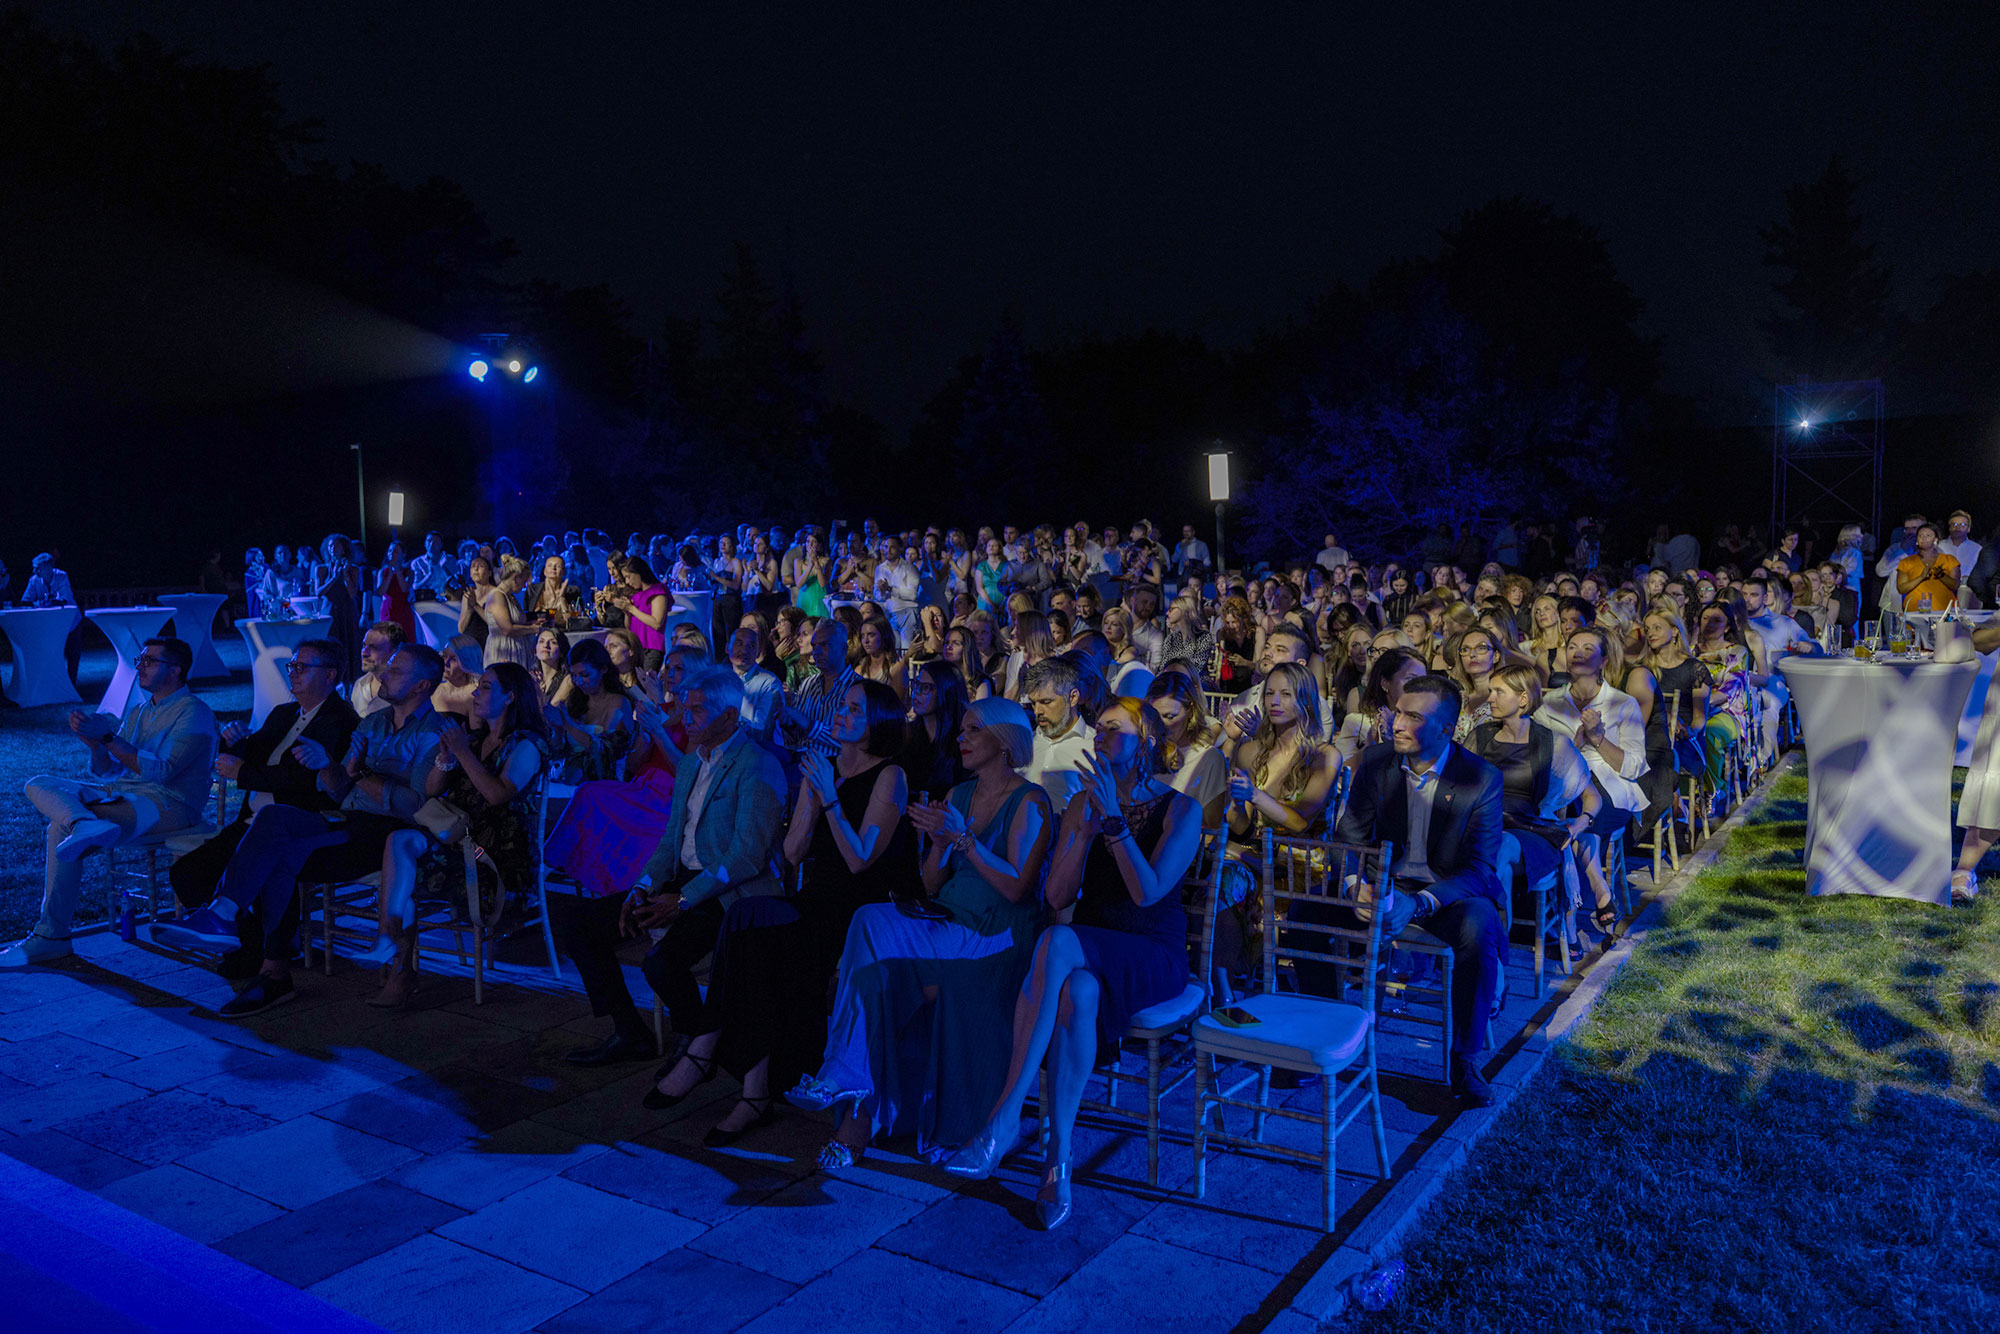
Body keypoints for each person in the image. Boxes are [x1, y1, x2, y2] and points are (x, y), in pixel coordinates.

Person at [945, 697, 1201, 1227]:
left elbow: (1147, 893)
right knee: (1077, 992)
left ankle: (1004, 1118)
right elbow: (1059, 896)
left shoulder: (1181, 810)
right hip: (1089, 945)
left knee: (1056, 943)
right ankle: (1057, 1163)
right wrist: (1082, 834)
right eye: (1098, 727)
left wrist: (1114, 822)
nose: (1099, 734)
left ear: (1146, 741)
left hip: (1151, 951)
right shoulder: (1084, 803)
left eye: (1113, 727)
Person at [785, 698, 1053, 1167]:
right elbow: (931, 883)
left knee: (877, 976)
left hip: (997, 934)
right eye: (962, 729)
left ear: (1005, 741)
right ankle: (844, 1078)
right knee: (870, 925)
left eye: (973, 730)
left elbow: (1017, 889)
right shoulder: (959, 795)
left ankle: (854, 1124)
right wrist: (940, 845)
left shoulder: (1030, 801)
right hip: (948, 918)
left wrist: (965, 841)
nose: (960, 738)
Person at [646, 680, 915, 1145]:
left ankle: (723, 1067)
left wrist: (829, 797)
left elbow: (859, 861)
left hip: (866, 913)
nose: (842, 713)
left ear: (878, 723)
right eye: (843, 705)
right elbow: (792, 854)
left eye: (855, 709)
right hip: (818, 900)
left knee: (759, 942)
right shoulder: (825, 767)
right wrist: (811, 796)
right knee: (744, 919)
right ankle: (738, 1077)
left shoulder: (891, 776)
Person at [153, 645, 447, 1015]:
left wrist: (358, 774)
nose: (383, 675)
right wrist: (328, 767)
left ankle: (272, 971)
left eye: (396, 671)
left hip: (387, 835)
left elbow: (415, 806)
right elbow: (337, 789)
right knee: (274, 820)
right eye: (386, 668)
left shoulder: (433, 732)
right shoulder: (374, 722)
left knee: (278, 849)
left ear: (421, 686)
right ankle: (225, 915)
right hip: (346, 819)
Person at [552, 666, 786, 1066]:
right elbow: (670, 839)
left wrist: (681, 901)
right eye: (685, 708)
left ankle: (701, 1044)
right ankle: (630, 1031)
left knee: (660, 964)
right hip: (684, 882)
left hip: (731, 894)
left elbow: (746, 856)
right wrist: (642, 886)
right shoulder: (693, 763)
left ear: (730, 716)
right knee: (577, 923)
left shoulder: (757, 764)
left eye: (697, 711)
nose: (685, 718)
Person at [1333, 675, 1506, 1106]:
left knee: (1480, 925)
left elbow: (1480, 869)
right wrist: (1355, 886)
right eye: (1398, 712)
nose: (1397, 724)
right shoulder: (1377, 761)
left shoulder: (1480, 778)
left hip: (1444, 892)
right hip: (1381, 884)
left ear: (1446, 730)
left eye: (1413, 717)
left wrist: (1418, 904)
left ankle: (1464, 1059)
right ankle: (1326, 1040)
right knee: (1305, 914)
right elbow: (1348, 837)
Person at [4, 638, 220, 967]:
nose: (140, 666)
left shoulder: (195, 712)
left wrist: (108, 737)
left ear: (176, 670)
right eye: (140, 659)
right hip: (124, 794)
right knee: (38, 783)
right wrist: (96, 745)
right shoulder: (140, 711)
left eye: (150, 661)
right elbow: (111, 769)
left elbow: (164, 771)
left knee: (59, 827)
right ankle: (83, 824)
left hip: (171, 804)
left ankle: (52, 935)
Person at [358, 662, 551, 1007]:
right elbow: (432, 790)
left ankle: (401, 974)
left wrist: (461, 751)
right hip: (456, 843)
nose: (476, 693)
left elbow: (498, 795)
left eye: (486, 687)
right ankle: (388, 938)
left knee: (401, 881)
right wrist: (447, 757)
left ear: (510, 697)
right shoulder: (473, 740)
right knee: (399, 842)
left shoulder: (526, 744)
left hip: (495, 858)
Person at [164, 639, 358, 979]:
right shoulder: (283, 714)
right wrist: (233, 740)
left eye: (302, 667)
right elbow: (253, 752)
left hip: (297, 823)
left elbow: (304, 780)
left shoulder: (339, 720)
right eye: (292, 666)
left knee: (267, 868)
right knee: (186, 873)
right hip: (252, 820)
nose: (293, 674)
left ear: (330, 675)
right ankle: (245, 940)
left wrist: (244, 773)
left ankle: (259, 954)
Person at [1467, 664, 1617, 939]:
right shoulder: (1480, 737)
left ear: (1523, 698)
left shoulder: (1551, 743)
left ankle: (1488, 941)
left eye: (1498, 692)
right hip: (1485, 826)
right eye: (1490, 691)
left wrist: (1580, 824)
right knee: (1498, 861)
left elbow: (1591, 796)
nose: (1490, 698)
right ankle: (1492, 943)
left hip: (1532, 832)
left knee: (1502, 844)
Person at [1533, 628, 1649, 840]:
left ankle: (1581, 850)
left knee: (1584, 820)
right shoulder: (1549, 704)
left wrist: (1598, 739)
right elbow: (1540, 758)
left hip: (1610, 784)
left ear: (1603, 661)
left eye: (1588, 649)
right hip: (1562, 781)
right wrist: (1574, 746)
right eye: (1572, 648)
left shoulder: (1623, 703)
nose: (1578, 653)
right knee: (1548, 813)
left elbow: (1634, 767)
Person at [1146, 672, 1229, 824]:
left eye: (1170, 716)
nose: (1161, 725)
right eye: (1155, 716)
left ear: (1190, 711)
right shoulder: (1143, 752)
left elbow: (1211, 828)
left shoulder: (1209, 758)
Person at [547, 638, 635, 782]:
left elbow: (605, 752)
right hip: (569, 779)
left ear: (603, 669)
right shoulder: (575, 701)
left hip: (605, 783)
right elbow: (557, 753)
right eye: (574, 676)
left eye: (585, 675)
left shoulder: (619, 703)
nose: (579, 682)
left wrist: (568, 725)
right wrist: (557, 731)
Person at [1021, 657, 1096, 813]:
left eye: (1046, 702)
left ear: (1073, 698)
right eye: (1033, 703)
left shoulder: (1095, 747)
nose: (1037, 711)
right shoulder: (1023, 743)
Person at [608, 556, 671, 671]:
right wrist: (626, 612)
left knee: (645, 680)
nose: (627, 582)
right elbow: (628, 627)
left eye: (628, 577)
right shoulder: (636, 594)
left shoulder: (658, 591)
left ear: (638, 573)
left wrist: (631, 609)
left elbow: (657, 623)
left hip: (651, 648)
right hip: (636, 648)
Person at [725, 618, 784, 741]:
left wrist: (726, 720)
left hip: (759, 749)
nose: (744, 650)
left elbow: (764, 732)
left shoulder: (769, 683)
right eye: (739, 644)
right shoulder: (720, 680)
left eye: (751, 646)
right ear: (727, 648)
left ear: (758, 653)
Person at [1895, 522, 1960, 611]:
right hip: (1915, 612)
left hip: (1943, 611)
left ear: (1936, 539)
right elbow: (1901, 589)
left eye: (1928, 535)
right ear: (1917, 540)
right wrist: (1921, 577)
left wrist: (1941, 575)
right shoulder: (1906, 562)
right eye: (1920, 536)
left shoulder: (1949, 560)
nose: (1924, 538)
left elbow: (1955, 585)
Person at [349, 621, 405, 718]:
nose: (364, 653)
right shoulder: (359, 685)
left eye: (373, 647)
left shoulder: (405, 692)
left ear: (394, 653)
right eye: (364, 645)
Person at [374, 541, 417, 643]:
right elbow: (380, 592)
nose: (391, 554)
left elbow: (404, 589)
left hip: (403, 610)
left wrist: (397, 571)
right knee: (388, 641)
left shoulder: (409, 572)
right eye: (390, 551)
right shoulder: (382, 572)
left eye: (396, 551)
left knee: (405, 641)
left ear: (403, 555)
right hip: (388, 609)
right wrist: (389, 574)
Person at [432, 634, 483, 720]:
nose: (446, 662)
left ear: (468, 663)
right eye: (444, 656)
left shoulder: (474, 697)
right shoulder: (432, 690)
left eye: (453, 659)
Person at [531, 626, 573, 707]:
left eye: (553, 642)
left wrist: (538, 694)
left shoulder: (568, 680)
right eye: (541, 641)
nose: (545, 645)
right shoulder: (533, 678)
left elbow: (549, 711)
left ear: (561, 652)